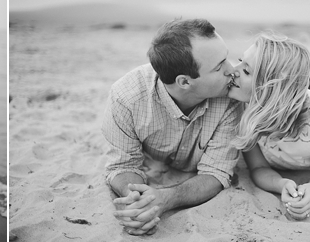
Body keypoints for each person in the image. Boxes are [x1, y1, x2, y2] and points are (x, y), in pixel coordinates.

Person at [102, 18, 243, 235]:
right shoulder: (126, 98)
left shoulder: (230, 96)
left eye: (226, 57)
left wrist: (165, 199)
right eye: (219, 66)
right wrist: (138, 200)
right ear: (185, 82)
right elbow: (122, 165)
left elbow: (216, 173)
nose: (232, 69)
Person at [226, 31, 310, 220]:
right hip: (281, 99)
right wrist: (281, 184)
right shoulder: (243, 108)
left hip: (297, 101)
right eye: (240, 61)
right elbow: (258, 168)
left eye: (246, 70)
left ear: (270, 87)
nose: (234, 69)